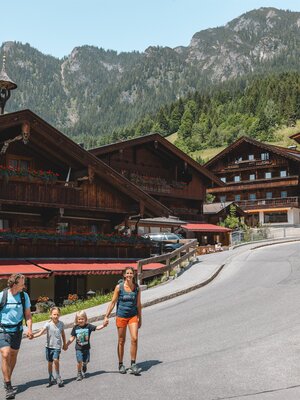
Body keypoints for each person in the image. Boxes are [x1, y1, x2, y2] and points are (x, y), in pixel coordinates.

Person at [104, 266, 142, 375]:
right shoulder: (119, 287)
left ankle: (133, 364)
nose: (129, 275)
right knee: (121, 341)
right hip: (121, 316)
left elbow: (139, 304)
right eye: (127, 273)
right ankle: (121, 364)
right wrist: (106, 316)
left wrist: (140, 318)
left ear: (133, 275)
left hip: (133, 316)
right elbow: (113, 302)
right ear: (124, 275)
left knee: (134, 338)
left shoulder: (137, 288)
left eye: (131, 273)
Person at [0, 273, 32, 400]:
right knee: (5, 354)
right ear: (14, 284)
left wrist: (29, 329)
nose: (24, 285)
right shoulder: (2, 296)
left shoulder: (24, 296)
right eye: (22, 283)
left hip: (17, 330)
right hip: (3, 329)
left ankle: (7, 378)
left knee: (13, 355)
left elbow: (28, 315)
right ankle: (9, 386)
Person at [66, 311, 107, 381]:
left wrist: (103, 325)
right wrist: (66, 344)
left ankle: (84, 365)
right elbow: (72, 337)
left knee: (86, 360)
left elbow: (97, 328)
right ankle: (79, 373)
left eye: (82, 319)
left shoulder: (88, 326)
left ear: (85, 319)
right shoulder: (75, 327)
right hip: (78, 348)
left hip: (86, 348)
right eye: (79, 319)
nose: (80, 320)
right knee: (79, 361)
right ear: (76, 320)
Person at [30, 307, 66, 387]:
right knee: (50, 363)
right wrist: (33, 336)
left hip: (57, 347)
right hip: (49, 347)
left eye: (57, 314)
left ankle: (58, 376)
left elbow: (63, 334)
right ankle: (50, 377)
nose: (56, 316)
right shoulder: (48, 324)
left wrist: (65, 344)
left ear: (59, 315)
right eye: (54, 314)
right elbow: (40, 333)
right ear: (51, 315)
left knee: (55, 359)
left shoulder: (61, 324)